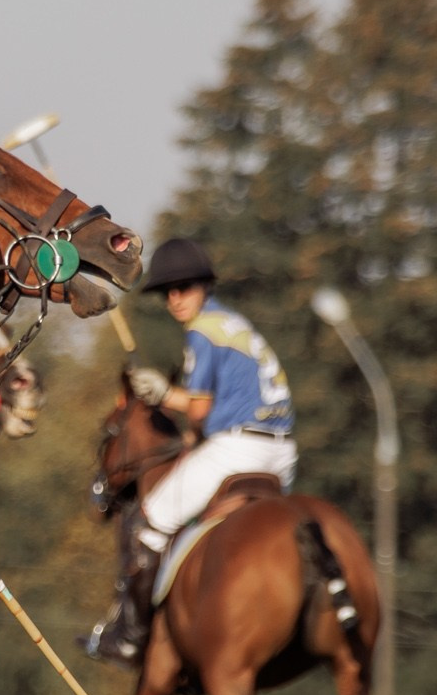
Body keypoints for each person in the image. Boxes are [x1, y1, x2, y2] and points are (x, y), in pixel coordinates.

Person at [81, 238, 296, 668]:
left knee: (149, 523)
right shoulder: (234, 323)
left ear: (204, 287)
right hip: (283, 455)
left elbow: (199, 409)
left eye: (185, 288)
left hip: (239, 448)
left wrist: (162, 392)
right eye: (168, 292)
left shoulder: (202, 330)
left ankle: (131, 638)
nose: (176, 299)